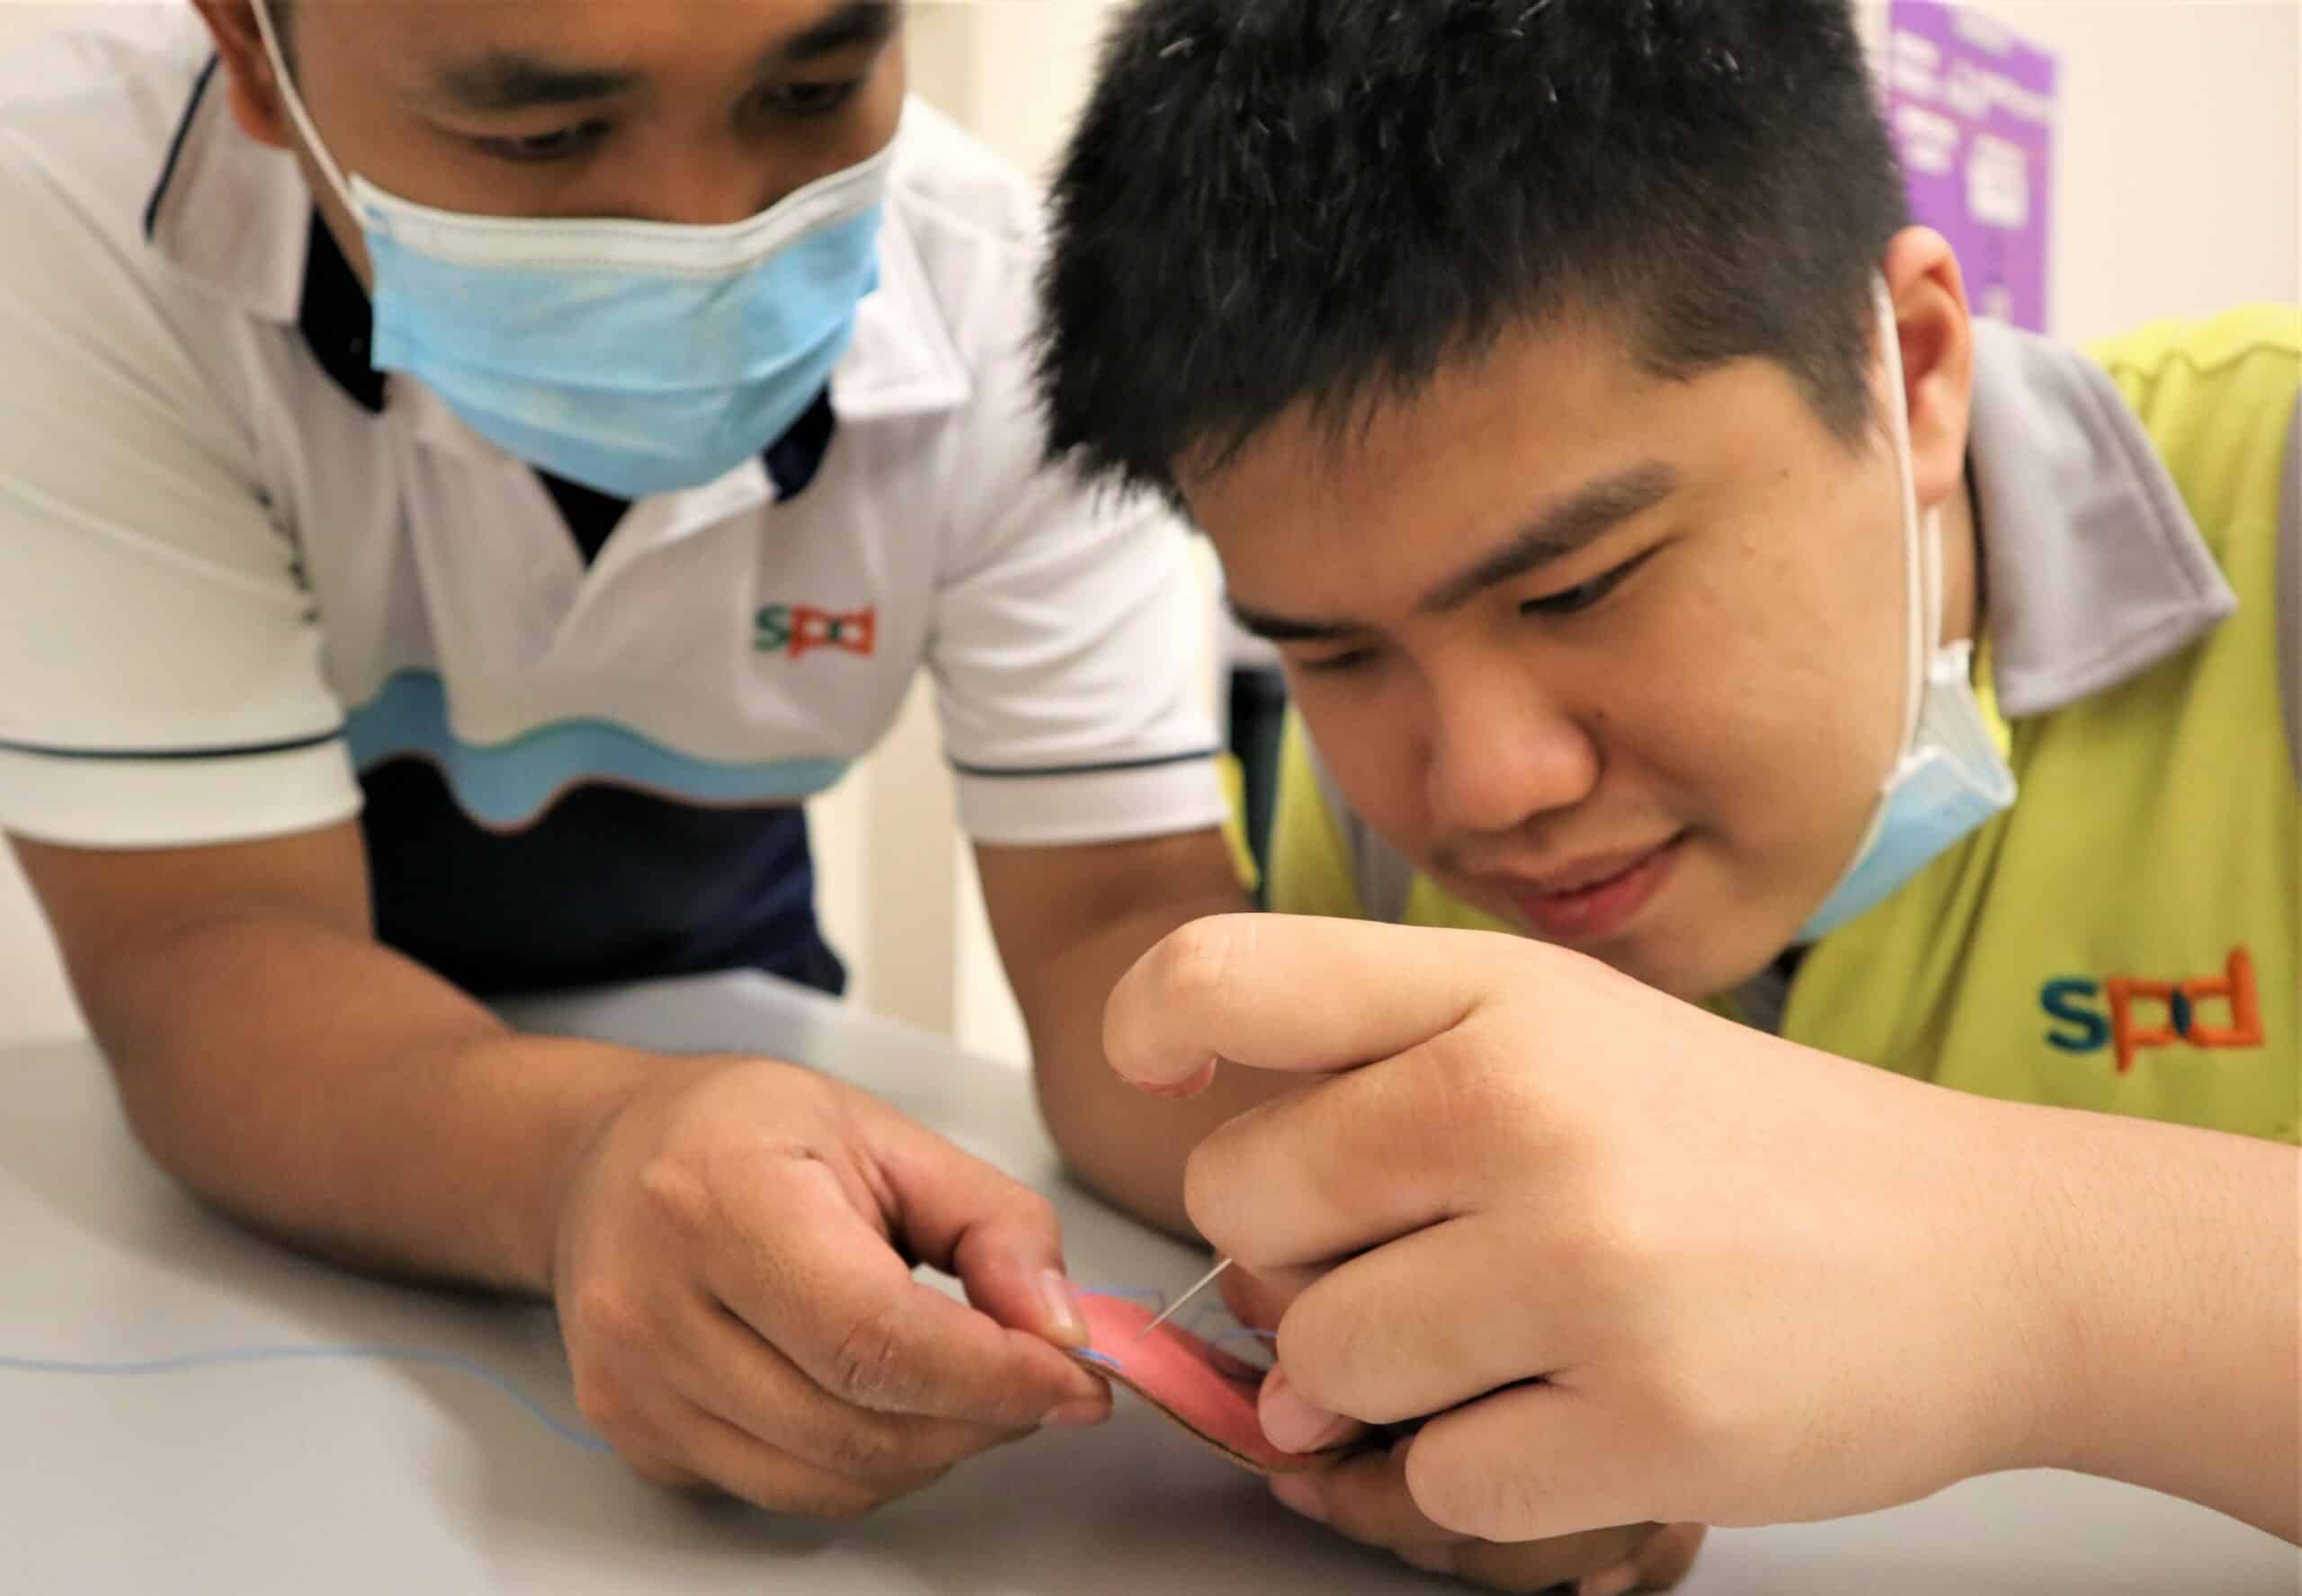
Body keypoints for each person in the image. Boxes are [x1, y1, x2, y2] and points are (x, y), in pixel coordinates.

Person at [1032, 0, 2300, 1588]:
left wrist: (2016, 1272)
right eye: (1336, 654)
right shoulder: (1378, 790)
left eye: (1579, 589)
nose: (1488, 788)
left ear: (1910, 367)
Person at [0, 0, 1256, 1519]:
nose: (705, 229)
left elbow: (1121, 931)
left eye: (810, 86)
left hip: (730, 1004)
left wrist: (1402, 1200)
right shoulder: (64, 214)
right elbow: (205, 948)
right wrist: (581, 1156)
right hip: (253, 1150)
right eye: (542, 134)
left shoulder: (1016, 303)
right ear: (256, 52)